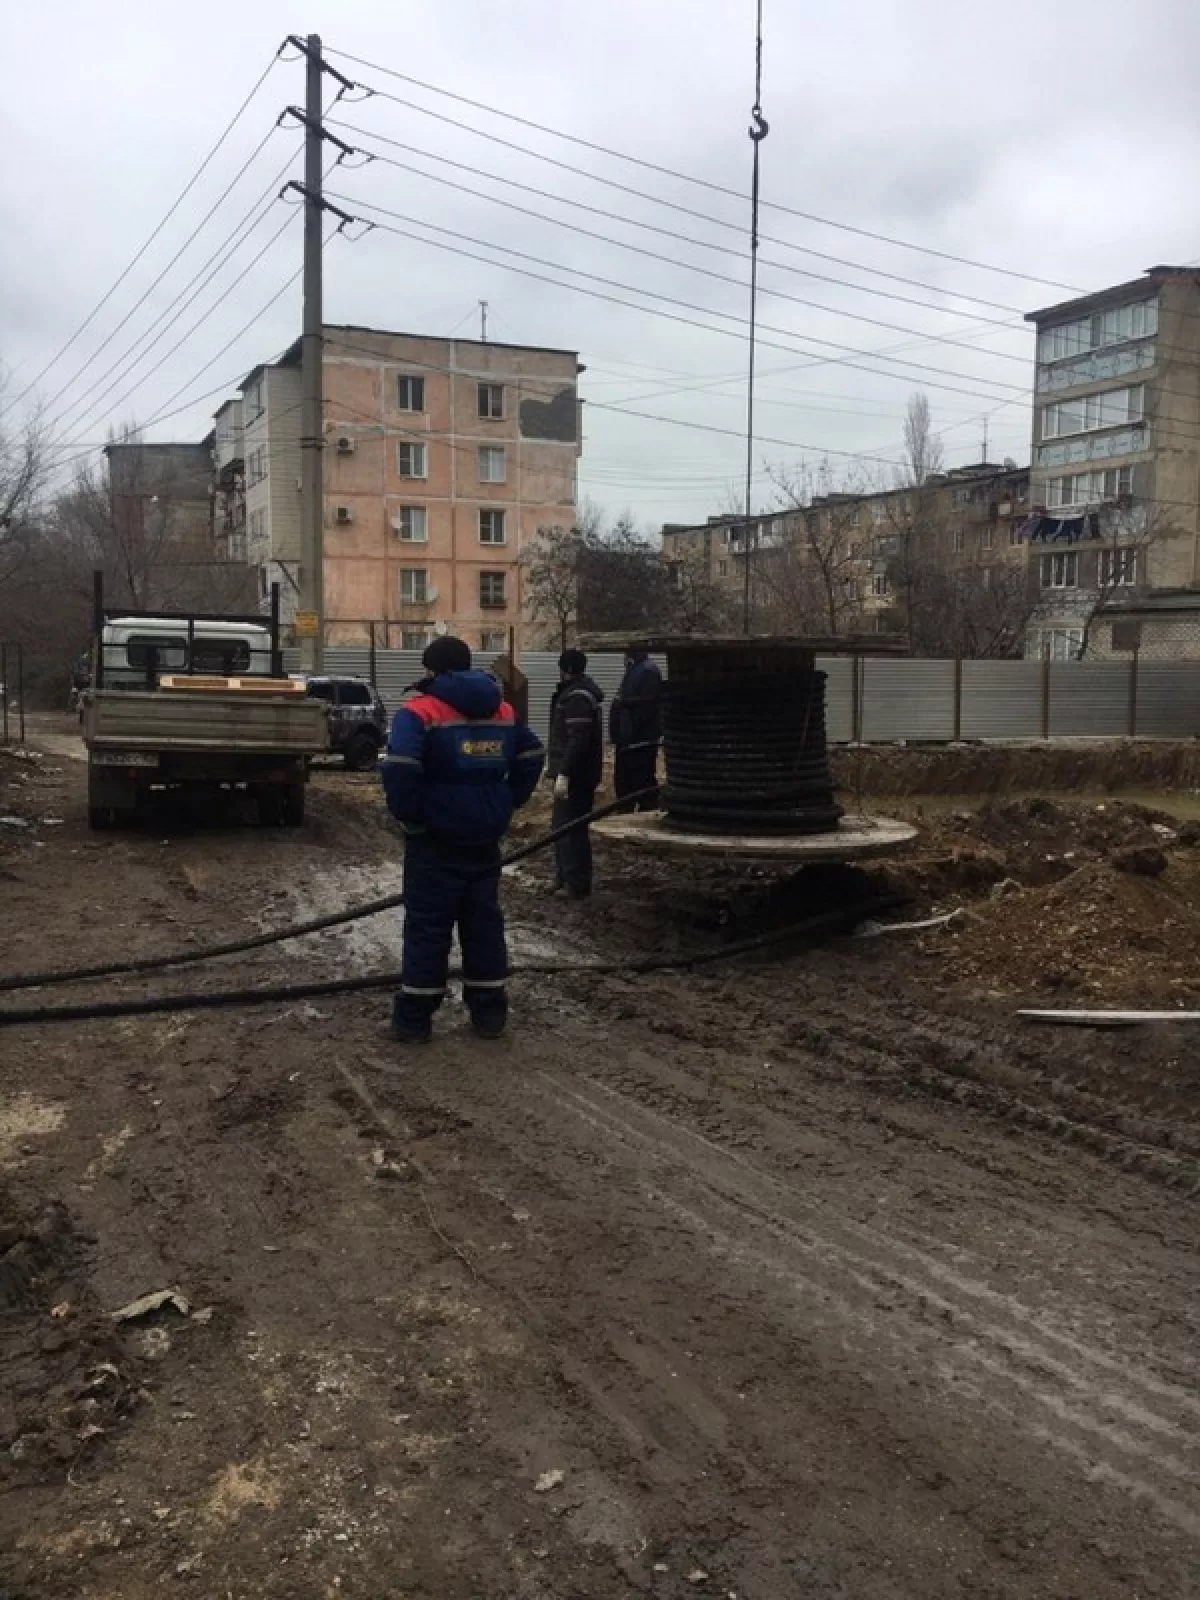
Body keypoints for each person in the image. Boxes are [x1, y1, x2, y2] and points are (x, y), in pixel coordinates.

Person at [381, 636, 544, 1042]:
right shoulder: (503, 710)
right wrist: (507, 800)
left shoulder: (420, 712)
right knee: (484, 925)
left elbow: (400, 768)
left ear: (432, 670)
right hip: (484, 838)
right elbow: (532, 754)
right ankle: (489, 1016)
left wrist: (412, 818)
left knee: (427, 928)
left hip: (434, 841)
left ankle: (414, 1022)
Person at [546, 648, 604, 898]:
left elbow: (577, 740)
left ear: (567, 670)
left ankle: (575, 883)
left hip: (577, 776)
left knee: (571, 828)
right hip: (576, 773)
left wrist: (565, 772)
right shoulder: (577, 694)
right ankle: (565, 876)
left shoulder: (577, 698)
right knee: (562, 827)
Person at [610, 646, 663, 810]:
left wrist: (625, 704)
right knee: (625, 787)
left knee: (642, 784)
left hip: (639, 742)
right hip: (627, 742)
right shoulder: (634, 669)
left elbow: (647, 706)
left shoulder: (647, 671)